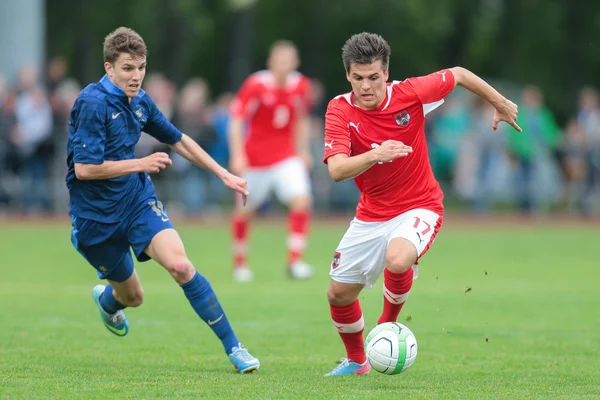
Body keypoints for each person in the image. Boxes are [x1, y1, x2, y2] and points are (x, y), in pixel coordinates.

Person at [322, 32, 520, 376]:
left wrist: (499, 102)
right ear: (347, 76)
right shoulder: (339, 109)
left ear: (386, 73)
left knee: (397, 259)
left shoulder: (410, 93)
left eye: (373, 77)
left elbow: (458, 74)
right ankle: (357, 362)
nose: (366, 86)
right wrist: (376, 154)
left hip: (420, 204)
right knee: (338, 296)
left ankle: (386, 326)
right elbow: (337, 169)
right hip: (371, 214)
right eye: (358, 78)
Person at [66, 27, 260, 373]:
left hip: (135, 201)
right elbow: (84, 169)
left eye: (140, 67)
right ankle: (109, 301)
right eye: (128, 68)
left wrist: (223, 174)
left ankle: (235, 347)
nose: (136, 75)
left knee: (181, 266)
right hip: (95, 217)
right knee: (133, 298)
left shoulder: (140, 100)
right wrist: (140, 162)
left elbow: (179, 140)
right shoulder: (92, 102)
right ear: (109, 68)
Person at [228, 40, 314, 282]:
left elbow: (301, 118)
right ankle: (240, 263)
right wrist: (237, 154)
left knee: (301, 199)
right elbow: (236, 120)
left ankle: (295, 260)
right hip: (255, 160)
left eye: (289, 60)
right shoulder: (255, 84)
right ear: (271, 62)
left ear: (295, 63)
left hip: (286, 157)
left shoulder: (301, 85)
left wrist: (303, 150)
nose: (284, 65)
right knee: (245, 211)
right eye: (280, 60)